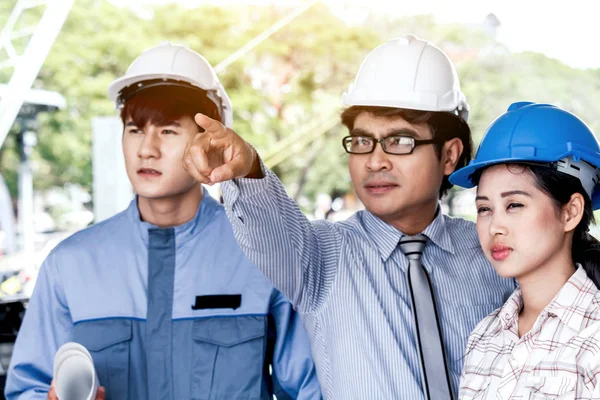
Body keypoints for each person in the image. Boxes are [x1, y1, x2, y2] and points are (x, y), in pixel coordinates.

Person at [182, 35, 515, 399]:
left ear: (450, 155)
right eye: (361, 141)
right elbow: (271, 228)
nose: (374, 161)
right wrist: (247, 169)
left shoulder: (494, 252)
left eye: (400, 141)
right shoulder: (321, 257)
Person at [5, 43, 321, 400]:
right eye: (134, 129)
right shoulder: (70, 265)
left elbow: (311, 391)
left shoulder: (261, 256)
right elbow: (26, 389)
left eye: (168, 131)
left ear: (210, 139)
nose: (146, 149)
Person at [450, 101, 600, 399]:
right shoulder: (485, 335)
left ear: (570, 212)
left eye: (514, 205)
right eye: (484, 208)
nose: (495, 227)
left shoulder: (593, 336)